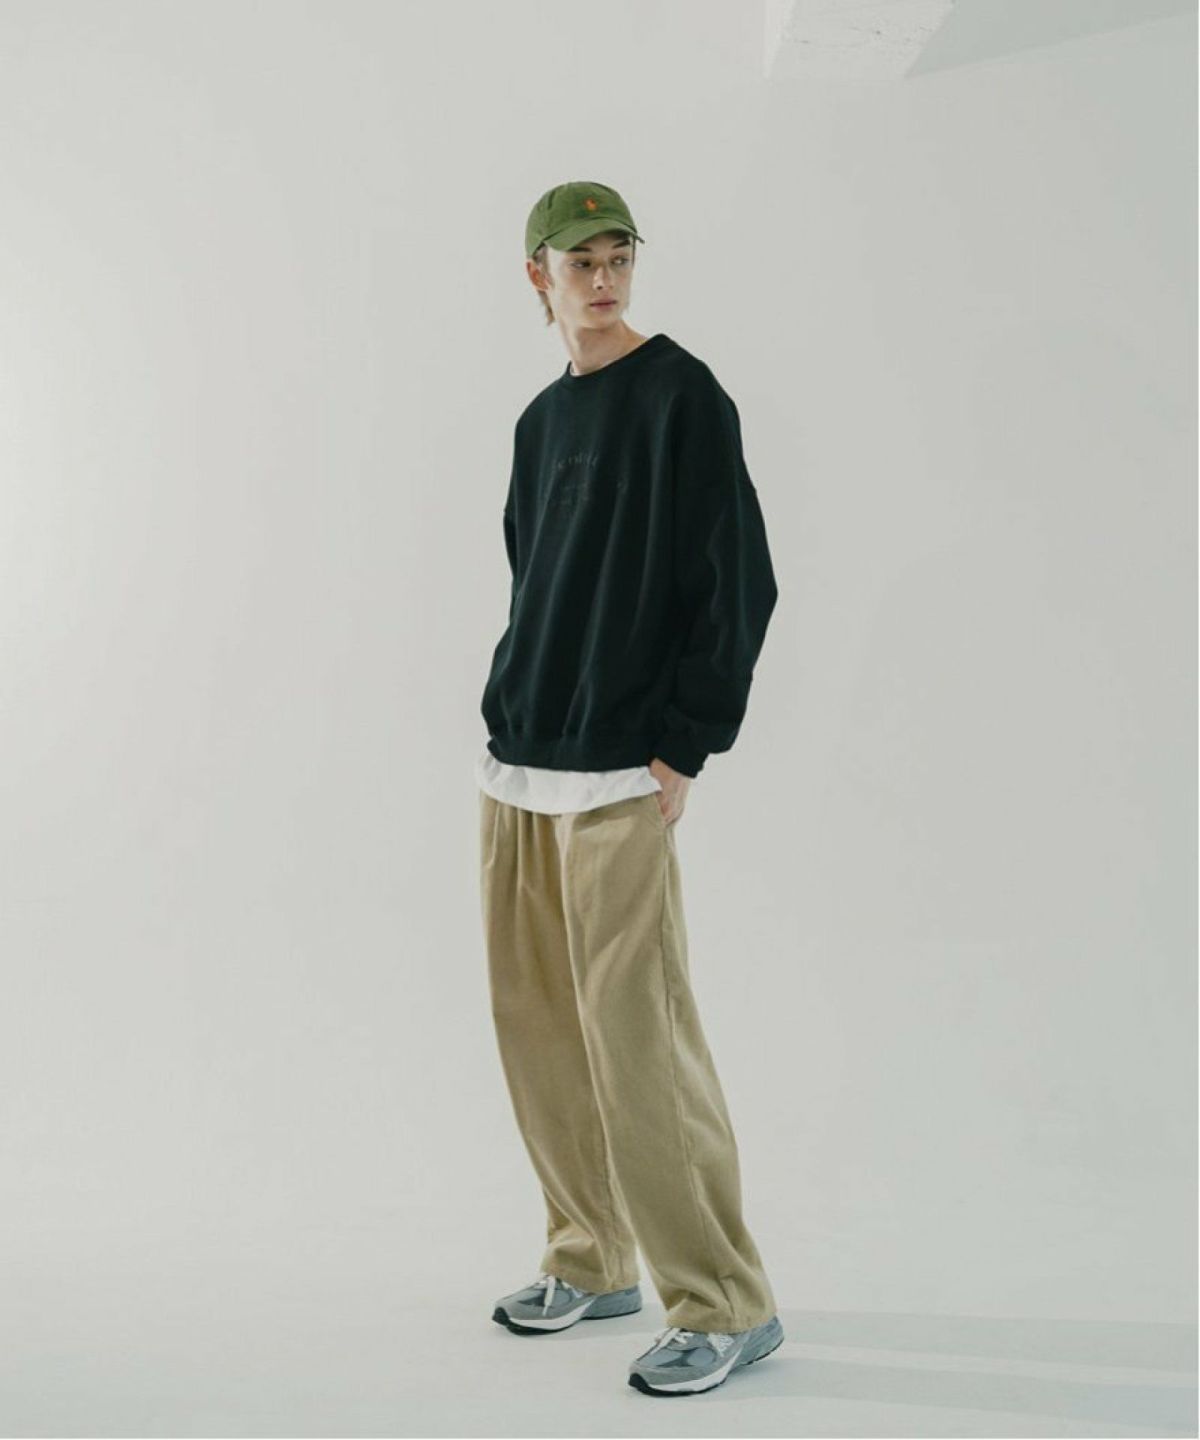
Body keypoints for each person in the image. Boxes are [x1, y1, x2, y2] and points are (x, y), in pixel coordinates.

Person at [476, 179, 783, 1397]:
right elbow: (533, 581)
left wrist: (684, 743)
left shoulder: (682, 396)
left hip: (617, 775)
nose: (603, 280)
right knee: (542, 1036)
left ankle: (723, 1302)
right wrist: (518, 715)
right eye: (580, 262)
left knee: (640, 1045)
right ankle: (590, 1258)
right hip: (519, 767)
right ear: (538, 277)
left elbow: (738, 579)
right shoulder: (538, 422)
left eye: (618, 257)